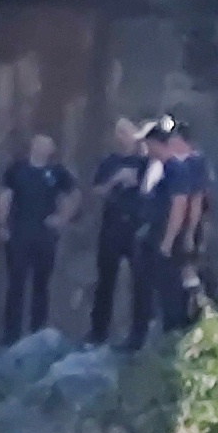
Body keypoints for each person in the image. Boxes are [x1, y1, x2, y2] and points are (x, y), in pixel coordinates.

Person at [137, 117, 212, 344]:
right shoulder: (157, 168)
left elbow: (182, 205)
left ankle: (176, 332)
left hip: (169, 236)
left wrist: (170, 240)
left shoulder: (177, 168)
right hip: (152, 233)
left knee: (171, 285)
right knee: (151, 285)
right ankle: (153, 331)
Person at [0, 132, 77, 342]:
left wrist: (62, 218)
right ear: (32, 146)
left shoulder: (57, 172)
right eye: (39, 144)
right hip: (19, 231)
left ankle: (37, 332)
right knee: (16, 284)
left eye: (47, 145)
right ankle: (10, 335)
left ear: (51, 150)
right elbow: (5, 196)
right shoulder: (17, 169)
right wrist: (2, 224)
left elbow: (73, 194)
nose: (42, 148)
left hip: (45, 234)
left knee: (42, 284)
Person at [87, 117, 150, 344]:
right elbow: (96, 191)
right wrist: (115, 180)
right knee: (105, 280)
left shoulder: (147, 162)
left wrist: (138, 183)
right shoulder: (109, 162)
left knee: (140, 281)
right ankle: (98, 331)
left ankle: (137, 332)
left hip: (137, 226)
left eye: (126, 132)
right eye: (118, 133)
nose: (122, 137)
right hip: (112, 225)